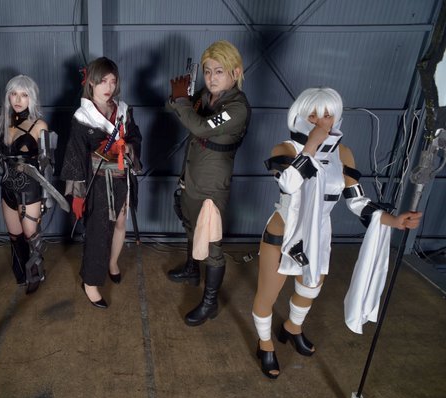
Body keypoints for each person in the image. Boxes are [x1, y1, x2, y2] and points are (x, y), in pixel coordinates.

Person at [251, 87, 422, 379]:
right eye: (313, 115)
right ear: (299, 115)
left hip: (318, 236)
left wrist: (394, 221)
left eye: (328, 115)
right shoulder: (285, 149)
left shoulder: (343, 154)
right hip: (283, 234)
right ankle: (265, 343)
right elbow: (288, 184)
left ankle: (292, 327)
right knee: (268, 295)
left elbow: (357, 201)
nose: (321, 121)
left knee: (309, 290)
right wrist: (311, 146)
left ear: (337, 117)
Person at [166, 40, 251, 326]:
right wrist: (180, 97)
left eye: (219, 71)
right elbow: (175, 106)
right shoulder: (206, 96)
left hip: (213, 185)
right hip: (191, 175)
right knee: (190, 224)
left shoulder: (237, 108)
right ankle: (192, 269)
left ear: (235, 72)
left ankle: (210, 302)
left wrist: (181, 102)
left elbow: (199, 126)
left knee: (213, 244)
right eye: (208, 71)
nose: (212, 78)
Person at [0, 75, 58, 295]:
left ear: (31, 98)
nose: (18, 99)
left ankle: (36, 273)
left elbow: (48, 165)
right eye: (14, 94)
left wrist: (46, 198)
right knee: (15, 235)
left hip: (30, 188)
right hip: (7, 186)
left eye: (24, 95)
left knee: (31, 235)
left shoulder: (39, 125)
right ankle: (21, 270)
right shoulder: (2, 121)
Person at [61, 57, 142, 309]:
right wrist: (78, 194)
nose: (108, 87)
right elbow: (75, 155)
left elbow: (136, 137)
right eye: (102, 81)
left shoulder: (123, 110)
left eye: (112, 81)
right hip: (97, 183)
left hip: (122, 178)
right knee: (98, 232)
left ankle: (112, 262)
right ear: (91, 83)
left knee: (121, 223)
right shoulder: (82, 116)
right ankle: (91, 282)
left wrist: (127, 146)